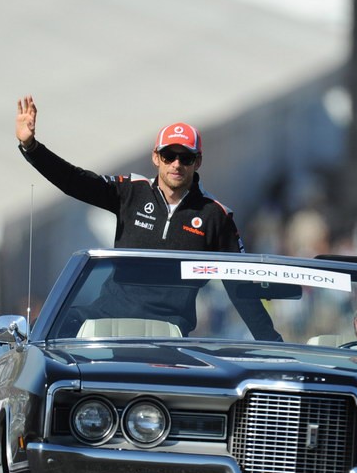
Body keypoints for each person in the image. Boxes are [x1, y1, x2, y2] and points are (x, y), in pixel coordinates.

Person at [15, 96, 280, 340]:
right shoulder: (131, 191)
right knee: (40, 328)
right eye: (169, 155)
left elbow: (240, 287)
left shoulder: (215, 215)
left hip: (167, 332)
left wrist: (273, 344)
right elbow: (75, 181)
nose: (176, 164)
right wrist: (32, 147)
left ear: (197, 162)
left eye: (185, 158)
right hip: (108, 317)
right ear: (156, 158)